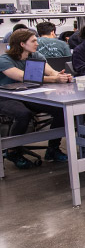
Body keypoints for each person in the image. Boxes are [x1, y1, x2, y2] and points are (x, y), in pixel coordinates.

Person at [0, 29, 72, 168]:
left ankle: (53, 149)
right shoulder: (4, 60)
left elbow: (50, 71)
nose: (37, 43)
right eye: (33, 41)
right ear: (22, 44)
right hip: (5, 98)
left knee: (60, 110)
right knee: (23, 114)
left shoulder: (36, 55)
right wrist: (54, 79)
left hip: (29, 96)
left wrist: (61, 76)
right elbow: (23, 76)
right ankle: (12, 150)